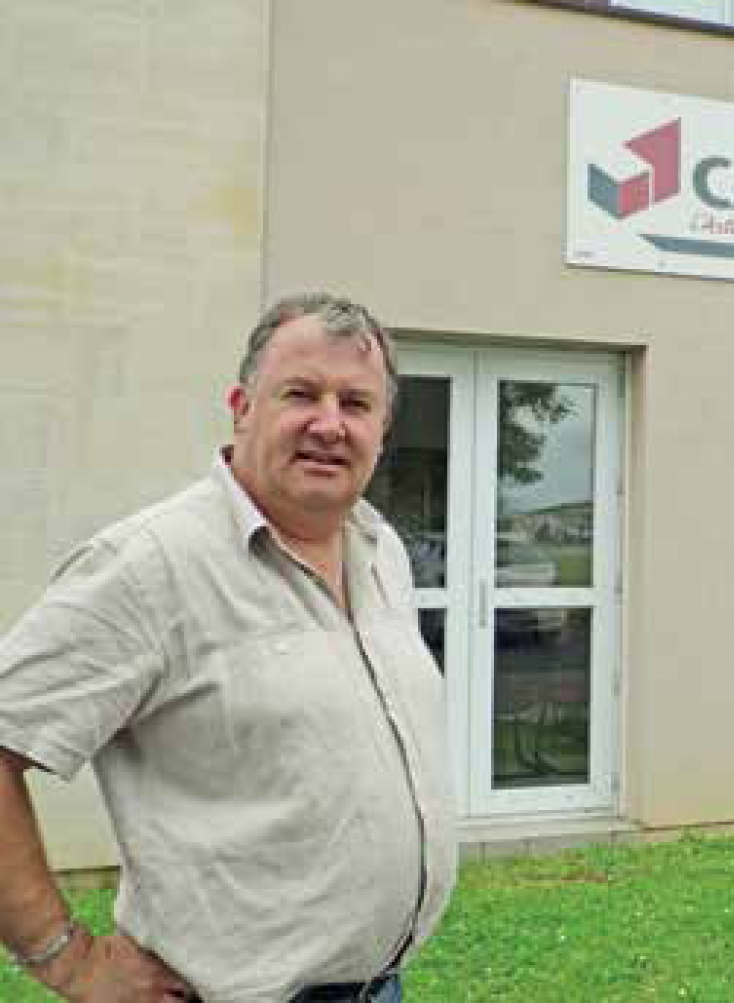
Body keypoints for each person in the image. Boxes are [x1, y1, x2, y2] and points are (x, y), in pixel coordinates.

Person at [0, 293, 457, 1002]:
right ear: (243, 406)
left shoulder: (380, 549)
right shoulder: (152, 564)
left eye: (356, 403)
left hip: (379, 987)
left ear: (383, 428)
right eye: (301, 393)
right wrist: (68, 958)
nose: (329, 424)